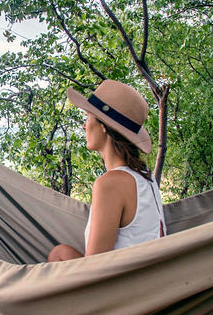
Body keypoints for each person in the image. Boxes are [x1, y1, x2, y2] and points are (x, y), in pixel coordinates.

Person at [47, 79, 166, 262]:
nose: (84, 126)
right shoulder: (145, 177)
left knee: (59, 254)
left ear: (103, 126)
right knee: (61, 252)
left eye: (88, 117)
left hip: (123, 287)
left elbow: (95, 266)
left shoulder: (110, 184)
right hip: (150, 276)